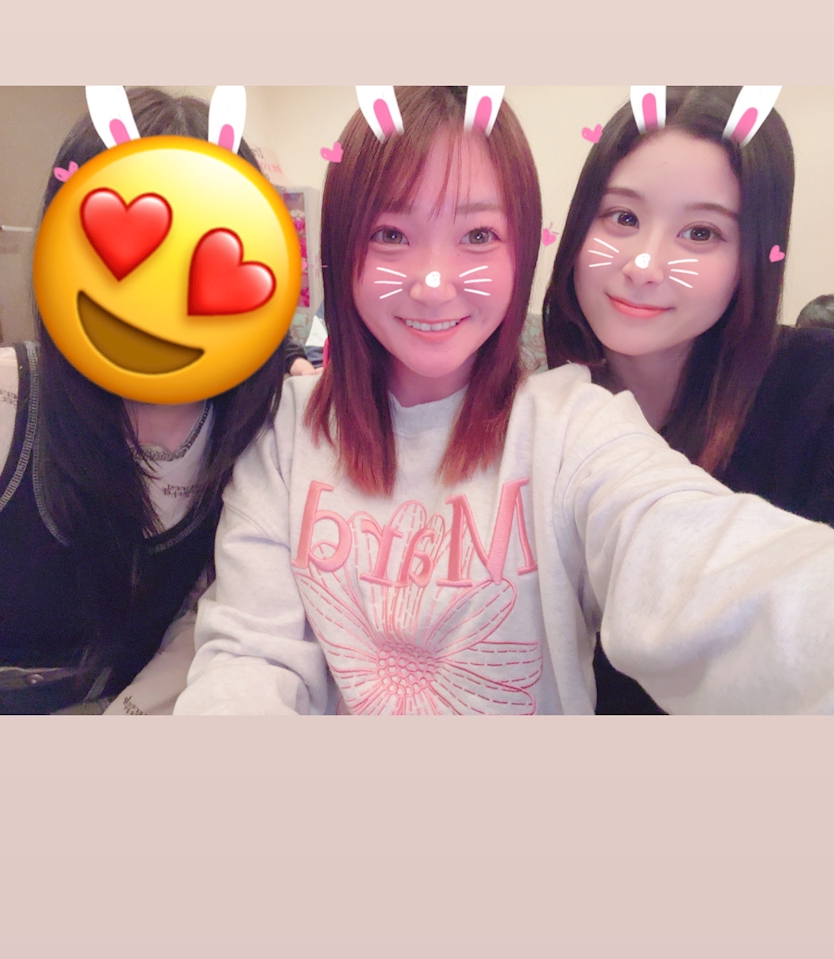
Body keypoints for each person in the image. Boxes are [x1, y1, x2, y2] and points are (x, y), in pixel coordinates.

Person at [175, 84, 834, 717]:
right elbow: (247, 658)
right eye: (391, 234)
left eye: (478, 235)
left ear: (521, 247)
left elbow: (711, 568)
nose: (433, 284)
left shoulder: (575, 425)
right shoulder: (287, 429)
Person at [0, 86, 308, 715]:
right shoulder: (8, 404)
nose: (163, 296)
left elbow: (217, 624)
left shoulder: (263, 430)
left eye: (206, 253)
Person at [543, 85, 834, 713]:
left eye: (700, 232)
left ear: (752, 257)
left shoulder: (817, 391)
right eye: (622, 218)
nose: (645, 265)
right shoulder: (538, 412)